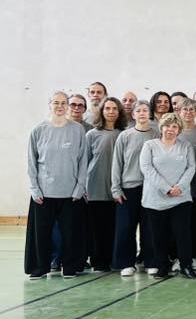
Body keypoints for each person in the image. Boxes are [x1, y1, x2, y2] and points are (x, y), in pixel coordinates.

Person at [24, 92, 89, 279]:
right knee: (41, 234)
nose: (60, 106)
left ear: (68, 106)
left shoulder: (77, 130)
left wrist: (80, 187)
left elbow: (83, 161)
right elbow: (31, 163)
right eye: (56, 103)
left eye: (63, 103)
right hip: (43, 193)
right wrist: (34, 189)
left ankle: (70, 267)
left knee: (70, 234)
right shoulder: (38, 130)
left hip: (70, 193)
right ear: (49, 105)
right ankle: (39, 268)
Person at [139, 113, 196, 279]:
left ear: (178, 130)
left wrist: (179, 187)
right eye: (167, 126)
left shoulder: (185, 145)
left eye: (174, 127)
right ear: (161, 127)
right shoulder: (150, 145)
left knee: (183, 235)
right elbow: (147, 168)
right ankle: (162, 266)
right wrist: (166, 188)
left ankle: (186, 266)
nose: (170, 129)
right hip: (155, 198)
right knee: (159, 235)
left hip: (181, 198)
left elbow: (191, 167)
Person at [111, 100, 159, 276]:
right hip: (128, 188)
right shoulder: (125, 136)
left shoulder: (156, 135)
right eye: (138, 111)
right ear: (133, 114)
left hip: (151, 188)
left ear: (150, 114)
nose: (142, 113)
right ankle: (126, 263)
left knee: (150, 227)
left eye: (145, 110)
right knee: (126, 227)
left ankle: (151, 261)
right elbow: (117, 163)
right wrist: (116, 188)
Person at [84, 97, 124, 272]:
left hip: (118, 189)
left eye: (114, 108)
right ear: (102, 111)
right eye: (107, 108)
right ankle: (98, 261)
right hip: (96, 188)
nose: (111, 111)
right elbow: (84, 162)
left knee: (115, 228)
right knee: (97, 228)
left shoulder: (124, 134)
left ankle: (114, 260)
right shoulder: (92, 134)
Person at [176, 98, 196, 271]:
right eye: (185, 109)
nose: (188, 112)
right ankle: (179, 258)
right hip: (178, 188)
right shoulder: (173, 131)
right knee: (179, 226)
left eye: (192, 109)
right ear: (179, 111)